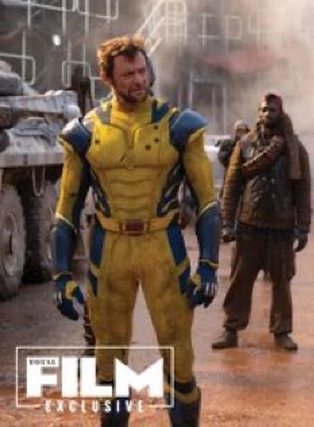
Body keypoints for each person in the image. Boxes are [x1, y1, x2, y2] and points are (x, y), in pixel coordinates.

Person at [51, 35, 220, 426]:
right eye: (128, 74)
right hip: (109, 247)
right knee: (109, 359)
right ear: (107, 78)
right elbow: (66, 211)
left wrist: (209, 265)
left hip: (163, 244)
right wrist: (60, 274)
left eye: (142, 71)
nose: (138, 80)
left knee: (179, 354)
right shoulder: (84, 132)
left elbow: (208, 204)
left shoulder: (179, 126)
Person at [211, 93, 311, 351]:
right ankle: (231, 329)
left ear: (281, 112)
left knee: (282, 283)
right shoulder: (245, 145)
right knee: (240, 281)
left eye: (272, 110)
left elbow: (303, 191)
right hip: (249, 226)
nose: (268, 114)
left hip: (282, 228)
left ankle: (282, 331)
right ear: (258, 113)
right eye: (264, 110)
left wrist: (303, 228)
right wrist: (227, 223)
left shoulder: (294, 148)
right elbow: (232, 186)